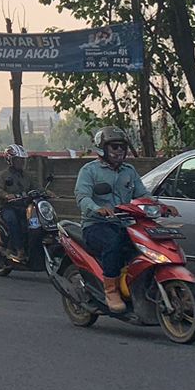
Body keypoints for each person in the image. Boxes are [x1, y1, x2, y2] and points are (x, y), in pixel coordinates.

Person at [73, 127, 152, 313]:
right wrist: (97, 208)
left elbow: (143, 194)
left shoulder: (129, 171)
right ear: (102, 149)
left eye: (122, 147)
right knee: (113, 244)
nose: (119, 151)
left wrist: (161, 206)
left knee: (147, 246)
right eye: (114, 147)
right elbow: (82, 197)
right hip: (96, 225)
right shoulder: (89, 171)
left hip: (125, 223)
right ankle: (111, 291)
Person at [0, 144, 34, 262]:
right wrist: (6, 195)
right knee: (13, 221)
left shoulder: (27, 175)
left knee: (34, 221)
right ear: (10, 160)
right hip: (9, 207)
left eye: (22, 160)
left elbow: (36, 186)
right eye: (18, 160)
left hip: (24, 206)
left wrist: (47, 192)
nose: (21, 162)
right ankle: (19, 249)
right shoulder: (3, 175)